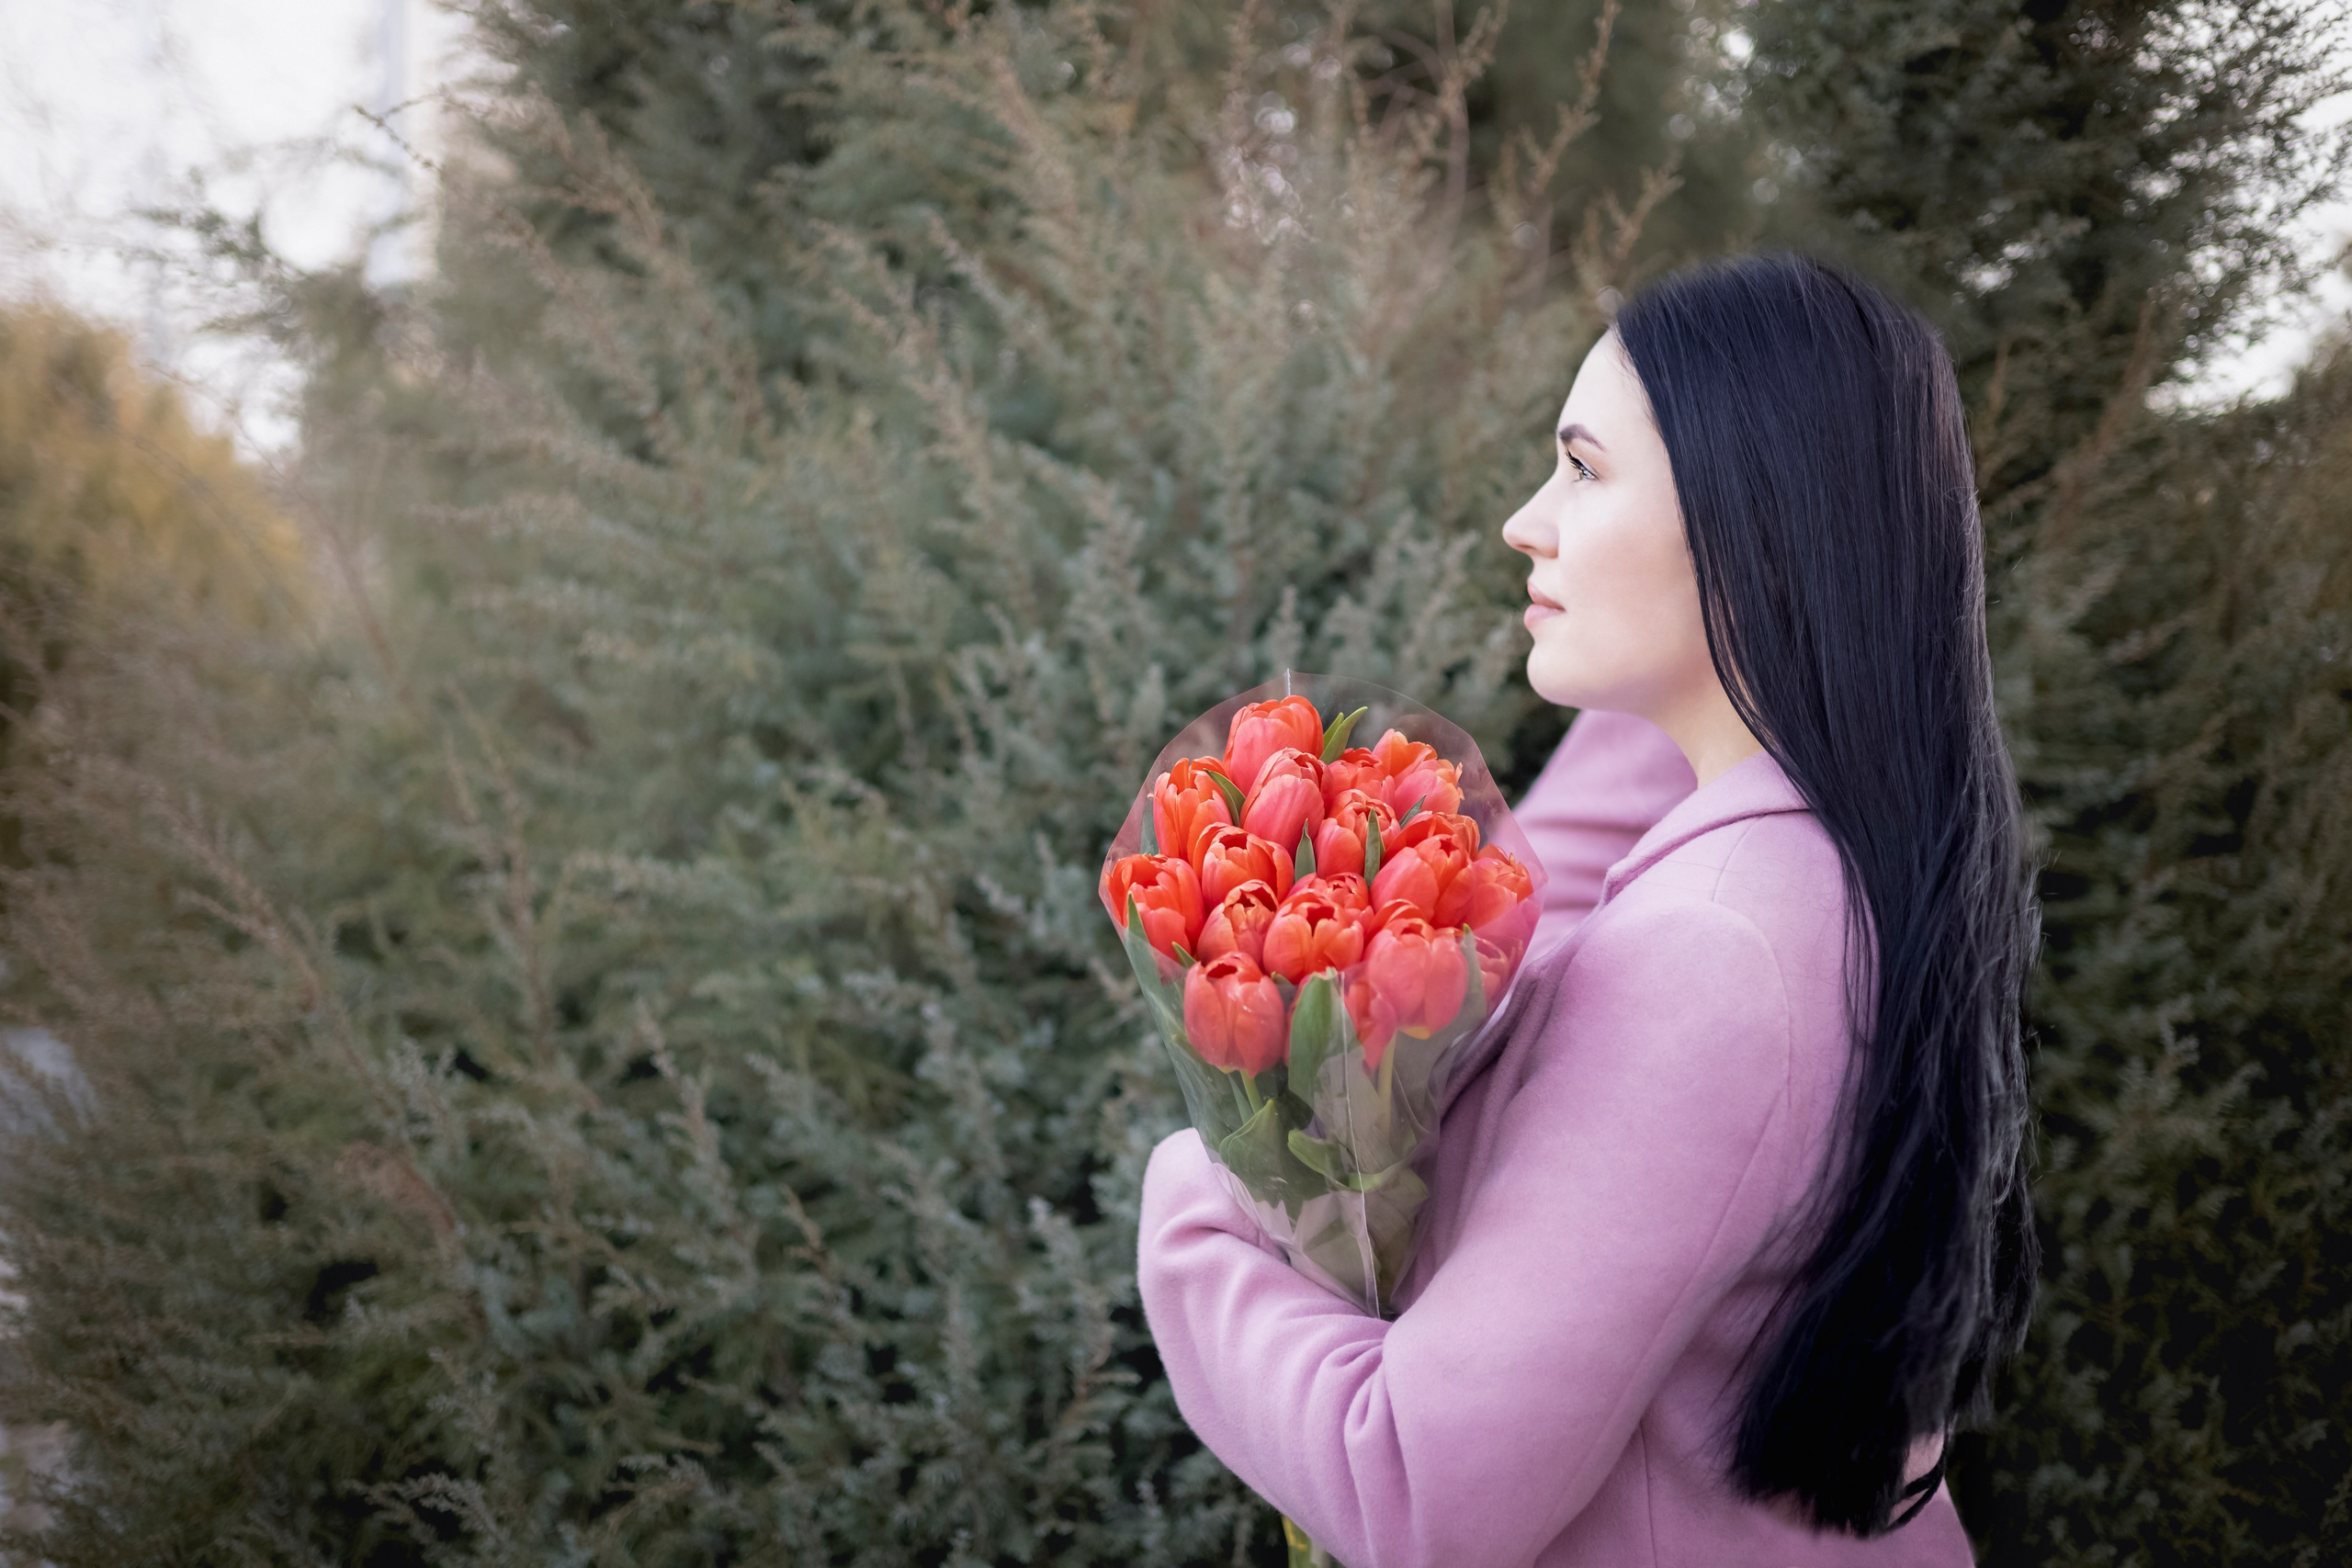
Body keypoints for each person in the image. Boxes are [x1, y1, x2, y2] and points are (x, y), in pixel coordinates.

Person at [1136, 253, 2041, 1566]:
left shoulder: (1712, 956)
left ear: (1756, 520)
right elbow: (1572, 848)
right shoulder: (1822, 857)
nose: (1526, 519)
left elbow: (1412, 1489)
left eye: (1584, 468)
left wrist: (1200, 1192)